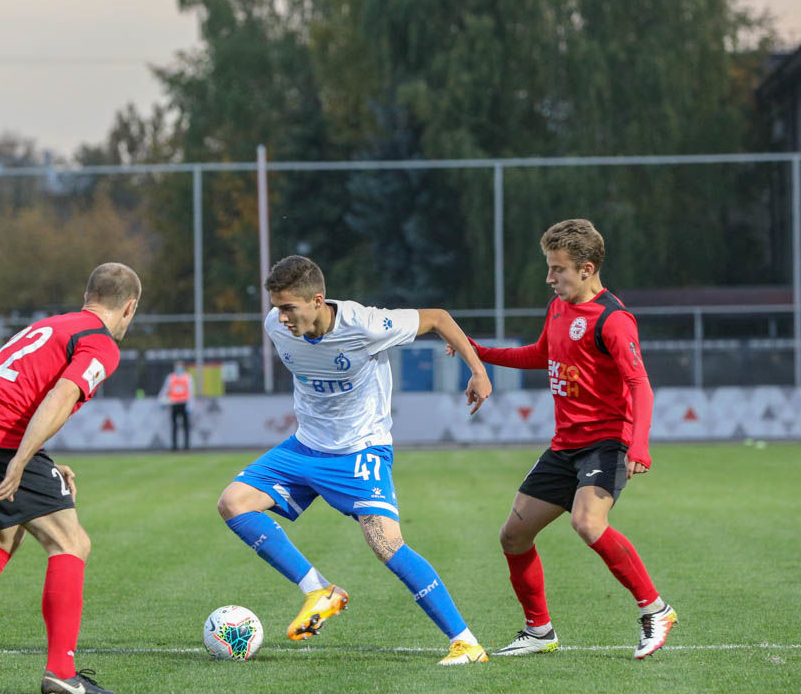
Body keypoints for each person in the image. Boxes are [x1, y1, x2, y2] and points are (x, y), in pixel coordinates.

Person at [217, 255, 494, 665]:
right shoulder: (276, 326)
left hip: (360, 450)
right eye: (276, 307)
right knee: (233, 502)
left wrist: (478, 371)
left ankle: (466, 642)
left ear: (318, 300)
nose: (281, 317)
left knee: (386, 545)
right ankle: (318, 590)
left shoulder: (364, 324)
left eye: (289, 307)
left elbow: (437, 318)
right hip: (305, 446)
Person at [451, 218, 675, 660]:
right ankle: (539, 631)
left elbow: (640, 385)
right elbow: (541, 354)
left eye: (558, 269)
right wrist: (479, 352)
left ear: (587, 269)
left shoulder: (613, 320)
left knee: (588, 523)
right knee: (513, 536)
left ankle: (656, 610)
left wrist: (639, 446)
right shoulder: (558, 308)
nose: (549, 278)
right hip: (564, 446)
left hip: (606, 442)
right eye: (549, 267)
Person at [0, 262, 141, 694]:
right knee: (70, 543)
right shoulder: (100, 342)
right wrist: (22, 459)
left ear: (87, 296)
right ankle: (62, 672)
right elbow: (61, 395)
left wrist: (39, 459)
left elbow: (17, 392)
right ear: (130, 308)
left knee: (4, 536)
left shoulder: (51, 326)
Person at [158, 359, 195, 450]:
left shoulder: (188, 377)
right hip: (174, 404)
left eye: (180, 366)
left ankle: (186, 445)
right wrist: (161, 399)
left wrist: (190, 405)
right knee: (174, 426)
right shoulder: (171, 377)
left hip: (184, 404)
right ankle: (174, 446)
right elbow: (165, 389)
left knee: (186, 426)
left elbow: (191, 392)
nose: (178, 368)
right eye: (177, 366)